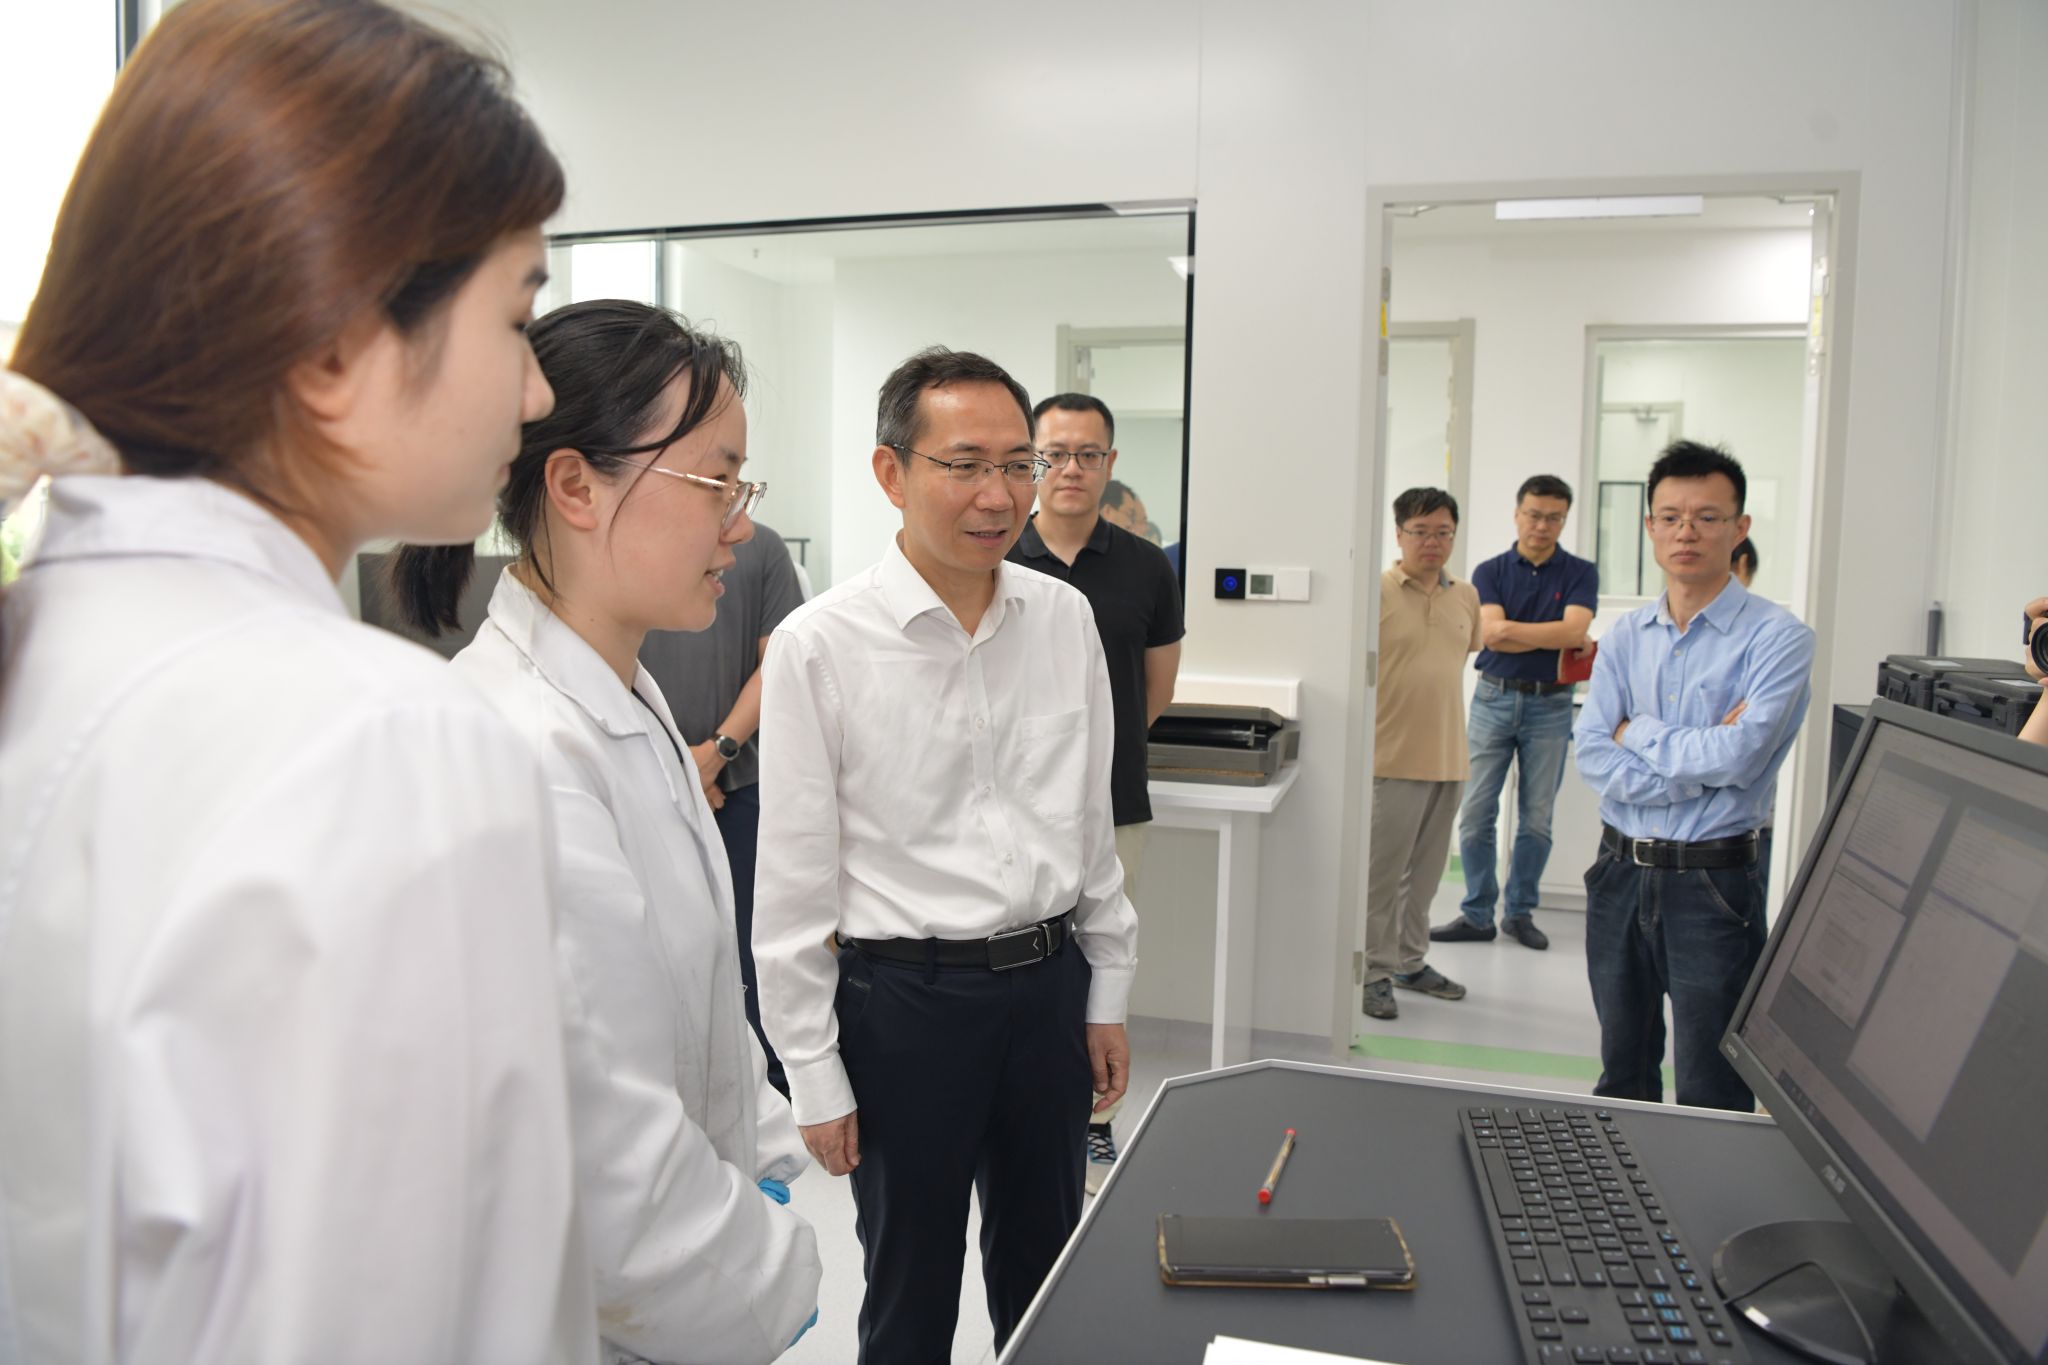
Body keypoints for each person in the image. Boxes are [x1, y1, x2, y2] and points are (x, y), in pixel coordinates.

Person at [0, 1, 596, 1359]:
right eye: (518, 317)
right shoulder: (382, 746)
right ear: (333, 347)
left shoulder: (46, 646)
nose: (535, 394)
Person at [390, 302, 821, 1363]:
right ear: (576, 486)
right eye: (716, 482)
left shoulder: (626, 702)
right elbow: (606, 1173)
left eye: (743, 487)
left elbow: (699, 998)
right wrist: (771, 1275)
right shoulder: (522, 752)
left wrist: (763, 1158)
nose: (740, 526)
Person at [753, 348, 1138, 1363]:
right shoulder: (819, 645)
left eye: (1016, 464)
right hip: (904, 1008)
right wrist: (812, 1072)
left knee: (1048, 1277)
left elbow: (1087, 828)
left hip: (1048, 991)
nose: (998, 495)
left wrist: (1105, 989)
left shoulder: (1063, 618)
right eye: (965, 464)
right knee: (909, 1292)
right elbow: (791, 885)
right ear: (892, 472)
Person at [1574, 441, 1815, 1112]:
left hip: (1714, 883)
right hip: (1619, 872)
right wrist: (1695, 767)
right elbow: (1591, 751)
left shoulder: (1779, 638)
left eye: (1707, 517)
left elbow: (1740, 758)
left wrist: (1637, 733)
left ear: (1740, 529)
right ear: (1649, 526)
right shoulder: (1625, 636)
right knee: (1621, 1073)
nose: (1687, 532)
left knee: (1713, 1086)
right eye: (1671, 517)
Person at [1008, 391, 1182, 1191]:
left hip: (1113, 799)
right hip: (1011, 801)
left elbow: (1155, 690)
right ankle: (1023, 1108)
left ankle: (1094, 1120)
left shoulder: (1147, 566)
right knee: (1020, 957)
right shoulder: (998, 552)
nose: (1069, 469)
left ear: (1110, 463)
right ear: (1030, 460)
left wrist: (1088, 759)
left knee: (1105, 957)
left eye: (1087, 454)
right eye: (1052, 454)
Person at [640, 518, 808, 1097]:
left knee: (754, 951)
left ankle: (774, 1088)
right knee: (656, 948)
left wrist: (716, 755)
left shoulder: (763, 548)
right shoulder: (638, 544)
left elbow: (777, 662)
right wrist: (680, 765)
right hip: (644, 779)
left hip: (740, 788)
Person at [1432, 474, 1597, 952]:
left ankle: (1519, 912)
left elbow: (1572, 632)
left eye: (1553, 518)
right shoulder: (1490, 571)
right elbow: (1491, 634)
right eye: (1534, 515)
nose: (1542, 526)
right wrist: (1552, 633)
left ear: (1564, 520)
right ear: (1517, 514)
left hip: (1552, 704)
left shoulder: (1581, 573)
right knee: (1475, 813)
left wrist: (1515, 631)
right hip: (1494, 698)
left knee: (1537, 818)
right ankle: (1477, 914)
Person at [1364, 487, 1483, 1021]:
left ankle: (1410, 962)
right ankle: (1372, 972)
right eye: (1420, 531)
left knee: (1427, 877)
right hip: (1390, 758)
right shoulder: (1377, 592)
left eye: (1443, 532)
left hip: (1450, 758)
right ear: (1399, 534)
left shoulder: (1467, 596)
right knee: (1382, 880)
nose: (1432, 542)